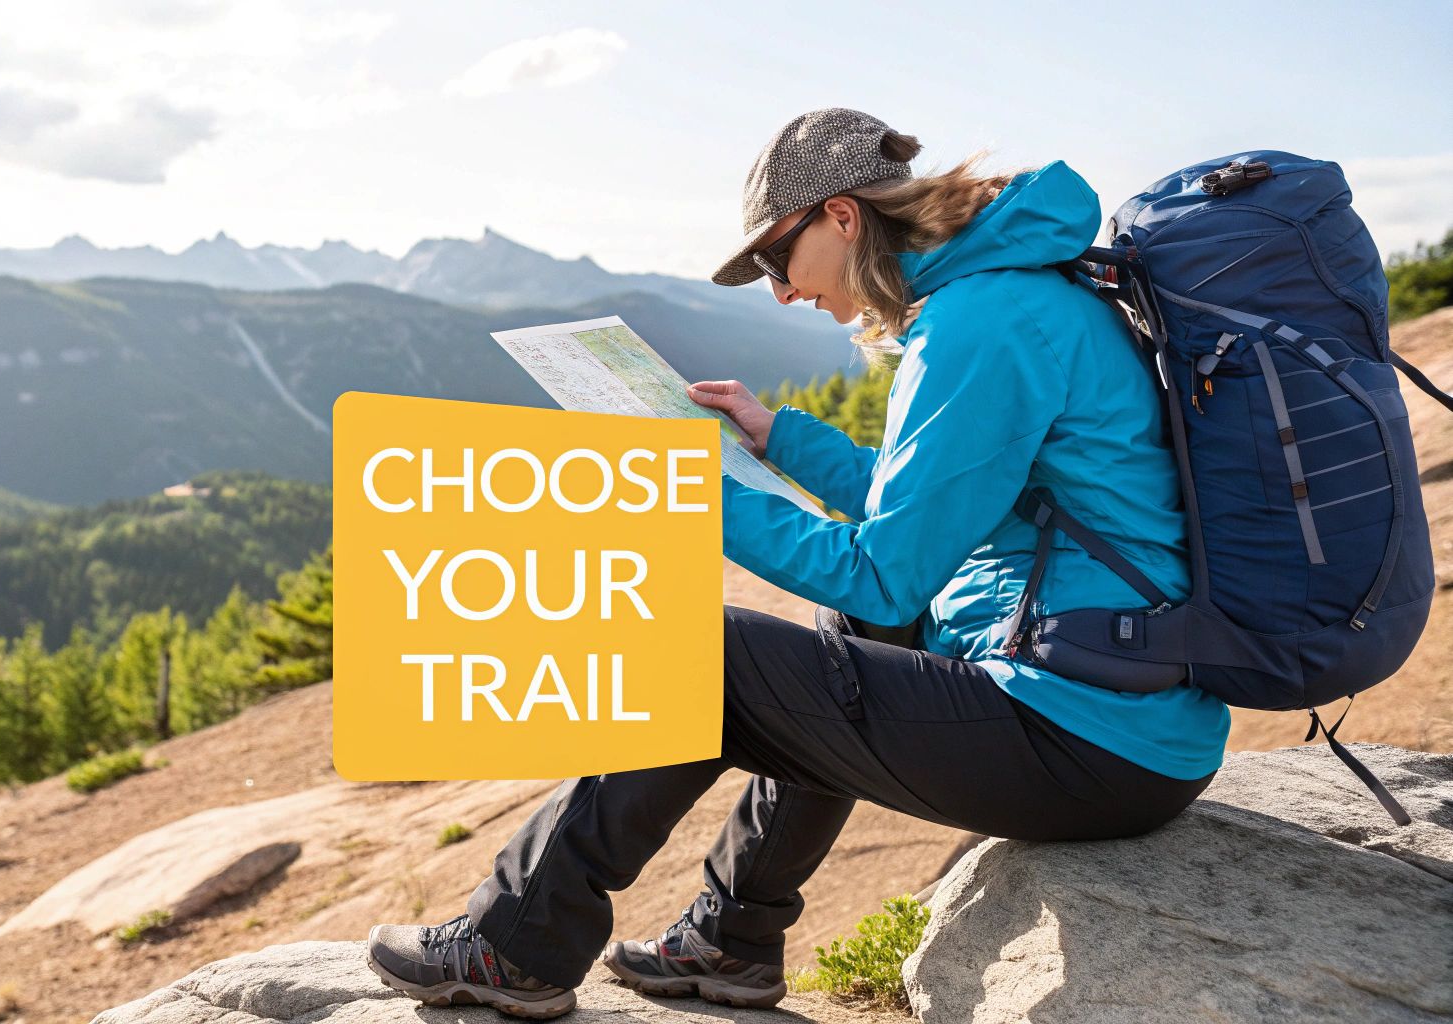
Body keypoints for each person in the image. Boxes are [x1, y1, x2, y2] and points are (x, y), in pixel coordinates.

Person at [364, 107, 1230, 1019]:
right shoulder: (1017, 294)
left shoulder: (987, 322)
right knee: (857, 631)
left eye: (778, 259)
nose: (779, 291)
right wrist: (778, 437)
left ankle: (515, 946)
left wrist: (689, 492)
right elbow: (931, 509)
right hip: (1121, 718)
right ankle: (731, 941)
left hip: (1089, 742)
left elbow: (885, 572)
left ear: (844, 216)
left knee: (699, 653)